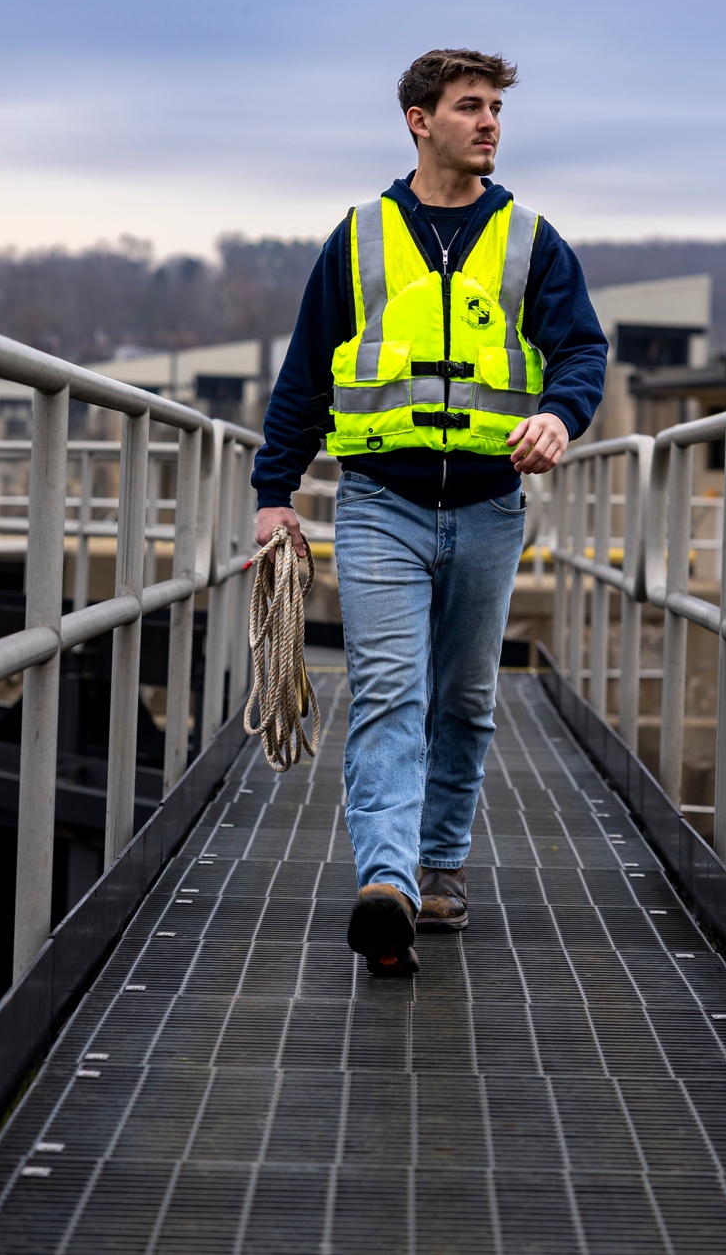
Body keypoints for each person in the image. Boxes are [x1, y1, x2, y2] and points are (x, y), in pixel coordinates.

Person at [252, 48, 607, 975]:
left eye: (496, 109)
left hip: (490, 508)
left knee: (465, 699)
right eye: (469, 107)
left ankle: (440, 866)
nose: (488, 123)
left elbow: (581, 350)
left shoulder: (532, 239)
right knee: (388, 692)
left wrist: (558, 418)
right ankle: (387, 884)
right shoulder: (359, 237)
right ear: (419, 120)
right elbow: (304, 374)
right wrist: (273, 495)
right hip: (379, 507)